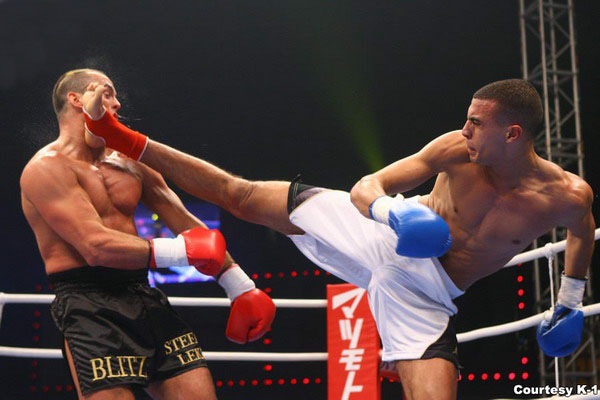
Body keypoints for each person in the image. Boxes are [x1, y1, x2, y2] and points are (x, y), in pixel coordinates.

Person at [82, 78, 596, 400]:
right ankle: (125, 137)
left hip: (426, 295)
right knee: (239, 194)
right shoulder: (454, 151)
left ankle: (395, 345)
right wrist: (393, 214)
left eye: (475, 123)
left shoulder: (567, 196)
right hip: (378, 235)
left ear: (513, 134)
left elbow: (581, 234)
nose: (464, 130)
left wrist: (570, 299)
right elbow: (367, 186)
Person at [20, 68, 276, 400]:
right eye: (108, 93)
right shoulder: (46, 168)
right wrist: (180, 252)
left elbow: (186, 223)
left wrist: (238, 285)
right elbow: (95, 246)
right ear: (76, 99)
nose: (117, 103)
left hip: (141, 292)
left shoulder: (130, 162)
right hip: (88, 304)